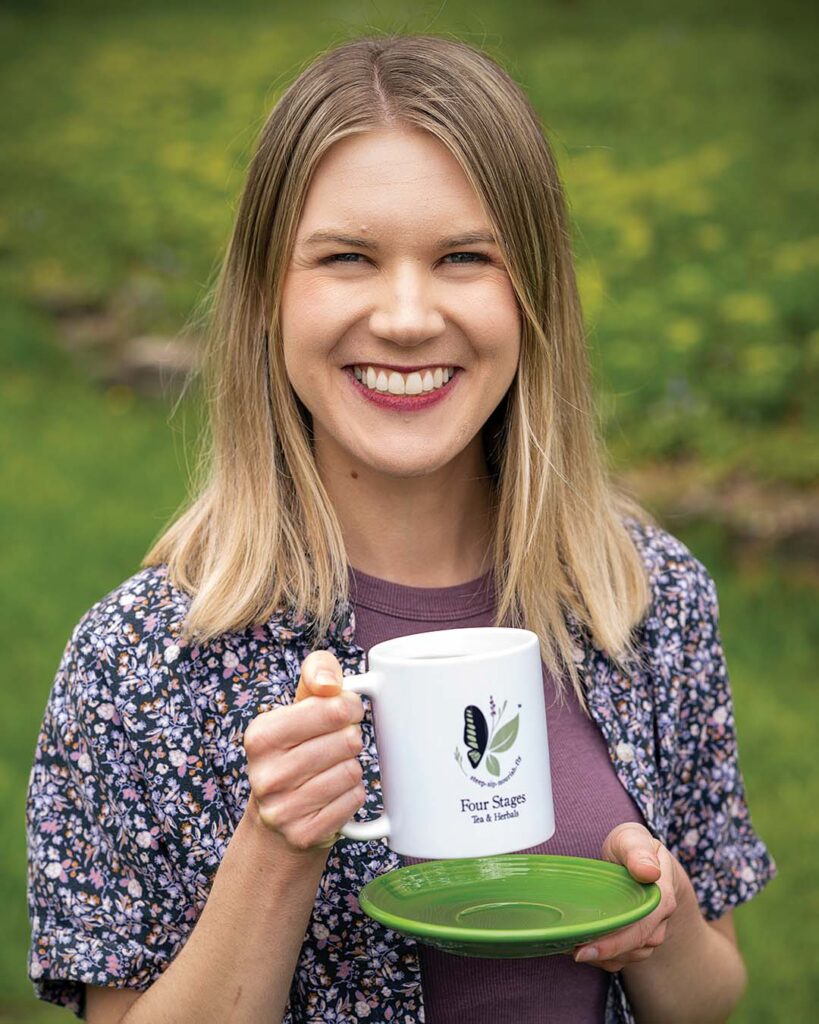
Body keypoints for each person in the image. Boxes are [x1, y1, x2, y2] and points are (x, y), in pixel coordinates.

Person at [26, 33, 776, 1024]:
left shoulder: (646, 599)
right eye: (347, 258)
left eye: (465, 256)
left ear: (533, 292)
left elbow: (710, 994)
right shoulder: (139, 663)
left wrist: (662, 917)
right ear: (267, 296)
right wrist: (279, 849)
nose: (410, 315)